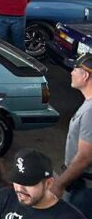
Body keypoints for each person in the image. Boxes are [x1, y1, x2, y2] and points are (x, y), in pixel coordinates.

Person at [0, 149, 84, 219]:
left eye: (28, 183)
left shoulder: (70, 217)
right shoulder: (4, 197)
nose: (19, 188)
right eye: (16, 181)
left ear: (48, 183)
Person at [52, 54, 92, 215]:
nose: (71, 73)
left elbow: (84, 157)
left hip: (85, 189)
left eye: (74, 69)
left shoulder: (91, 111)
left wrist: (59, 184)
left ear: (86, 74)